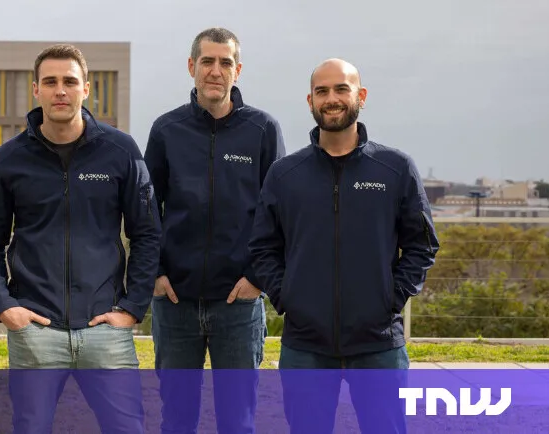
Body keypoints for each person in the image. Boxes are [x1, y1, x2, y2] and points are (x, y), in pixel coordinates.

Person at [0, 43, 161, 434]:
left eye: (70, 81)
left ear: (86, 89)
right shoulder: (9, 158)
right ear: (36, 89)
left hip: (105, 329)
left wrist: (131, 308)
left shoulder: (120, 150)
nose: (61, 90)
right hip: (35, 330)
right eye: (51, 81)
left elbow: (146, 234)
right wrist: (5, 306)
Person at [249, 58, 440, 433]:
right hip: (306, 342)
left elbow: (421, 244)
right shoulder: (285, 174)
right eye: (322, 91)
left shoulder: (395, 168)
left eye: (341, 89)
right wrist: (288, 296)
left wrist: (392, 296)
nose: (331, 99)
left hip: (378, 342)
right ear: (310, 101)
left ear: (361, 96)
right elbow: (262, 247)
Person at [143, 27, 286, 433]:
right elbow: (145, 210)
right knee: (177, 418)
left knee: (237, 420)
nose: (215, 71)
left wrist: (258, 279)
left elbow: (280, 213)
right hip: (175, 303)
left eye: (225, 62)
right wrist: (154, 274)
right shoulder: (166, 131)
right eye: (207, 61)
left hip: (238, 302)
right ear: (192, 67)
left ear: (237, 71)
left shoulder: (263, 130)